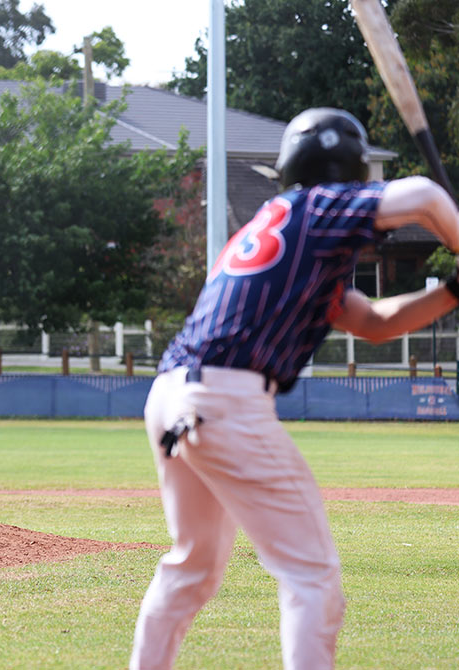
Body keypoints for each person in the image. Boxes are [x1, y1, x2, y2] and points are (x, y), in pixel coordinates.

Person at [129, 108, 459, 670]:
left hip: (170, 396)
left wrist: (453, 288)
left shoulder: (279, 228)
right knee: (311, 572)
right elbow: (426, 194)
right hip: (225, 400)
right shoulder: (318, 207)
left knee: (192, 567)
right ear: (349, 171)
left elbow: (374, 324)